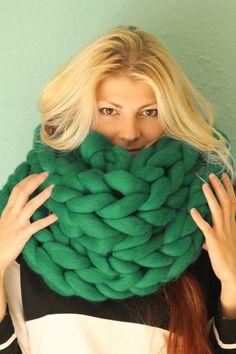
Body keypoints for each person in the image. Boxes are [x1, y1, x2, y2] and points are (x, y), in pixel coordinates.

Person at [0, 25, 235, 354]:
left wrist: (233, 283)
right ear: (80, 110)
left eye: (149, 112)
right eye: (109, 111)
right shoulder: (27, 209)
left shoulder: (213, 209)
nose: (129, 133)